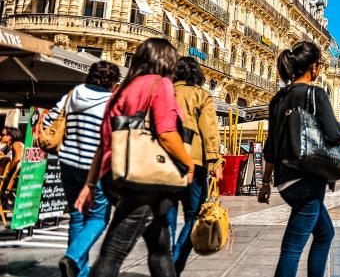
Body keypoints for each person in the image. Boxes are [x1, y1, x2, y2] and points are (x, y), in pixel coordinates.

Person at [78, 38, 194, 277]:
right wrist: (189, 163)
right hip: (142, 181)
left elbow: (103, 143)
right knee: (113, 253)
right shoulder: (159, 84)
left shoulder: (121, 89)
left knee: (160, 248)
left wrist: (90, 184)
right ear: (166, 61)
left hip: (116, 175)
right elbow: (166, 133)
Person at [258, 41, 340, 277]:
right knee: (291, 248)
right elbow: (333, 132)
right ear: (314, 68)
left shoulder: (278, 98)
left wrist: (266, 182)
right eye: (319, 64)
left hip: (285, 180)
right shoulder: (315, 94)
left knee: (324, 233)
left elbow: (271, 144)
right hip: (308, 179)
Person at [41, 61, 120, 277]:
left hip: (67, 164)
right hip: (95, 168)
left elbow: (49, 120)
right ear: (112, 82)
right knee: (98, 217)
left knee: (76, 217)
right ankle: (73, 257)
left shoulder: (73, 94)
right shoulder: (110, 101)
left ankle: (79, 273)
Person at [166, 57, 223, 275]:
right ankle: (175, 263)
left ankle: (165, 260)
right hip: (195, 162)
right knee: (194, 215)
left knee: (167, 214)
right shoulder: (201, 96)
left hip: (165, 162)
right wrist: (215, 160)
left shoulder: (165, 93)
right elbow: (209, 130)